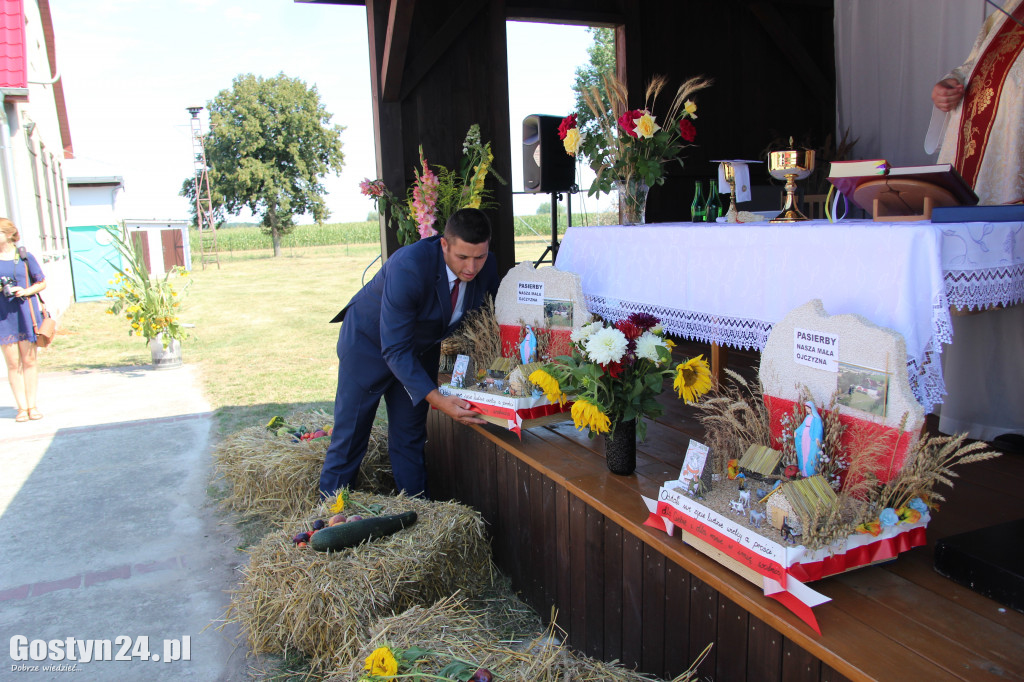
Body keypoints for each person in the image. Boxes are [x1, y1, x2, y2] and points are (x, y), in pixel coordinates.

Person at [320, 208, 500, 498]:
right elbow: (394, 348)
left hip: (418, 350)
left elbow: (483, 321)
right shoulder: (409, 265)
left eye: (479, 257)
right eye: (462, 257)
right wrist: (440, 401)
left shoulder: (487, 265)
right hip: (368, 346)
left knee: (410, 436)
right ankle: (329, 518)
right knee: (351, 436)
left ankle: (417, 511)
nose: (471, 267)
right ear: (444, 244)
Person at [929, 0, 1024, 445]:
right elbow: (969, 72)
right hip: (986, 180)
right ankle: (981, 412)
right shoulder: (1006, 12)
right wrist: (951, 87)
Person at [0, 218, 47, 422]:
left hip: (25, 312)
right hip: (3, 315)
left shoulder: (25, 257)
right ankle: (21, 408)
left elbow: (42, 282)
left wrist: (25, 291)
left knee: (29, 361)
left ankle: (32, 406)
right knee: (13, 364)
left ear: (10, 234)